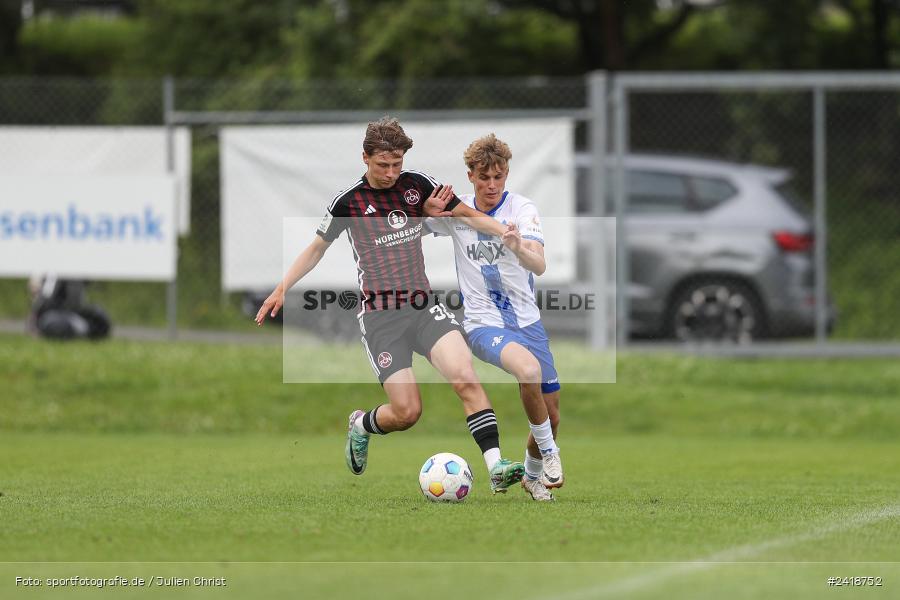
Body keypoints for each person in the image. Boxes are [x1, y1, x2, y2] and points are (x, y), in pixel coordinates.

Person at [255, 117, 525, 493]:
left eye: (397, 164)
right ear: (364, 158)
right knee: (407, 412)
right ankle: (362, 424)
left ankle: (496, 466)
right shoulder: (347, 202)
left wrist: (506, 231)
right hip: (381, 318)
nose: (391, 172)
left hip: (423, 306)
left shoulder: (417, 186)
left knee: (464, 375)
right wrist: (282, 287)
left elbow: (467, 214)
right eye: (383, 165)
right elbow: (316, 248)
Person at [425, 134, 563, 502]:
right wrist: (425, 209)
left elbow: (540, 264)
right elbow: (416, 224)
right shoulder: (459, 210)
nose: (491, 184)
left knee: (551, 415)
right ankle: (551, 454)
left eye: (498, 177)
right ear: (470, 175)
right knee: (528, 371)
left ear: (506, 175)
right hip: (483, 323)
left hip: (528, 322)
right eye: (484, 177)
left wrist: (518, 247)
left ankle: (532, 477)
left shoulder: (522, 208)